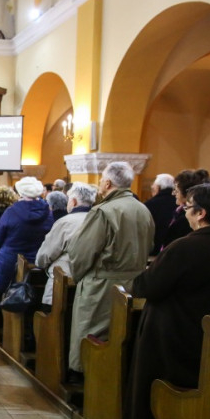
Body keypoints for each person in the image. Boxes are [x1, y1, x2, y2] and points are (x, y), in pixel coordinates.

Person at [122, 182, 210, 419]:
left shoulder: (186, 247)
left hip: (176, 336)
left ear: (201, 213)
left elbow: (148, 286)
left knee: (160, 391)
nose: (183, 212)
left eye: (187, 208)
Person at [67, 162, 154, 379]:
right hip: (134, 283)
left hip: (103, 285)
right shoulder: (143, 209)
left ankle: (89, 382)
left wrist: (78, 276)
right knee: (123, 337)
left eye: (101, 181)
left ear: (107, 183)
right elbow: (150, 245)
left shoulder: (103, 211)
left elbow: (83, 251)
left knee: (93, 336)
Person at [35, 182, 96, 306]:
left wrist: (39, 263)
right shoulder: (99, 220)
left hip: (63, 283)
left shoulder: (65, 222)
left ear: (73, 202)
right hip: (91, 285)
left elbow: (46, 254)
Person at [0, 176, 53, 294]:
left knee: (6, 292)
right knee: (37, 293)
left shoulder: (11, 211)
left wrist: (2, 248)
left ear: (20, 192)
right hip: (38, 260)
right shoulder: (48, 213)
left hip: (11, 259)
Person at [161, 169, 210, 251]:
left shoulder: (187, 218)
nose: (173, 193)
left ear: (187, 194)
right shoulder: (179, 213)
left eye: (176, 190)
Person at [144, 173, 177, 255]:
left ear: (158, 188)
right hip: (175, 248)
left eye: (153, 188)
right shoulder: (179, 203)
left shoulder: (149, 205)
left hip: (154, 250)